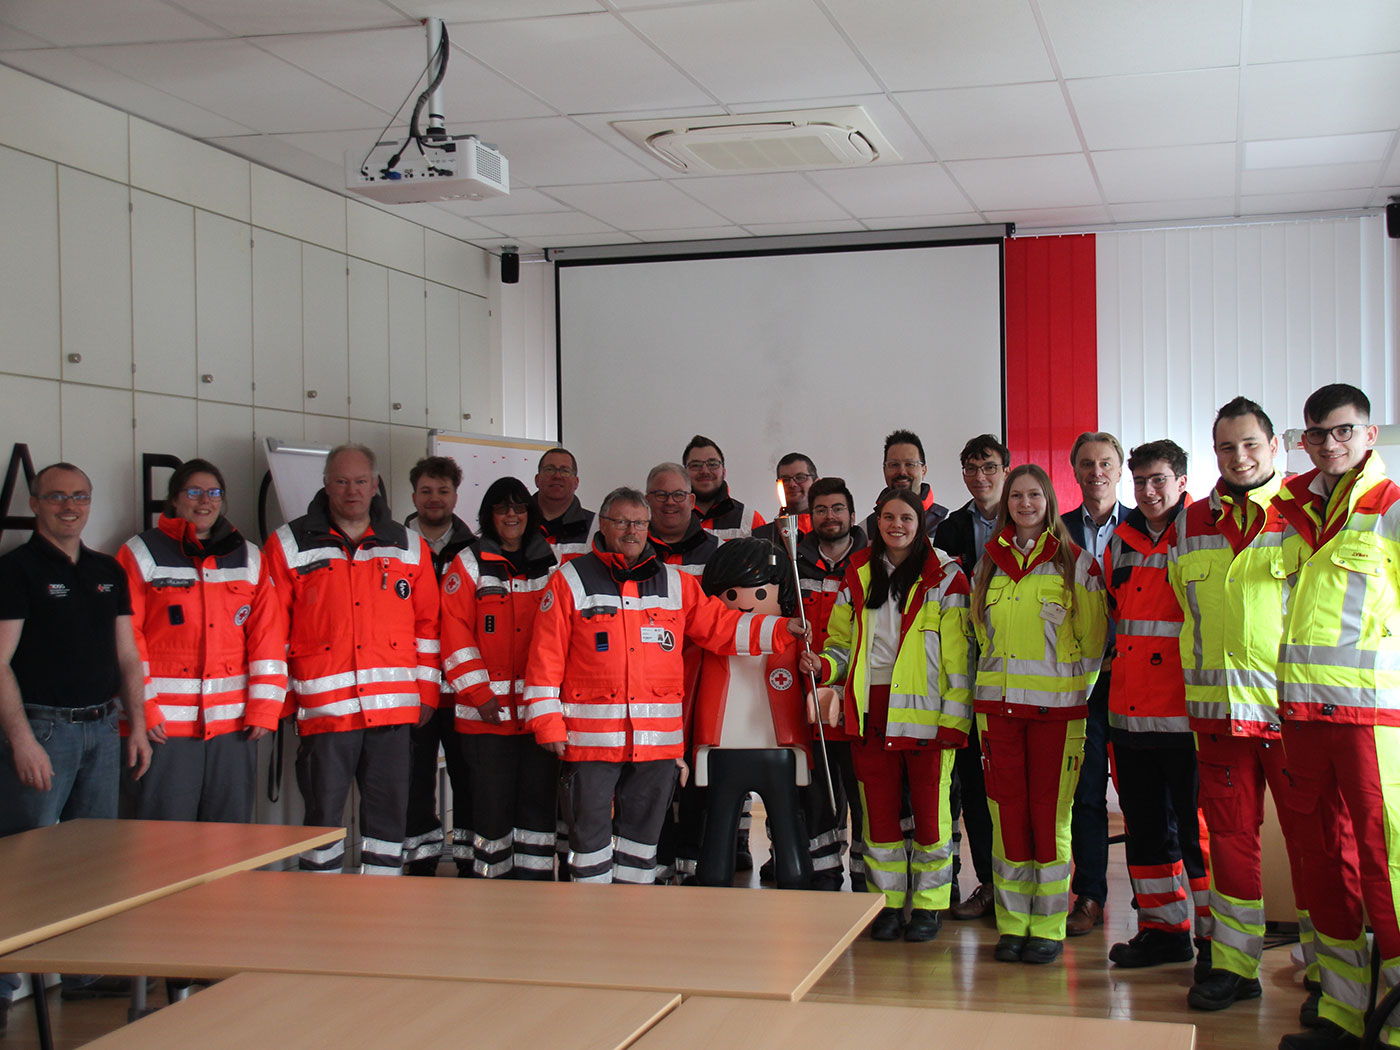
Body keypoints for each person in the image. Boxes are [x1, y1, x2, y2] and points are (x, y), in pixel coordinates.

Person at [523, 486, 805, 884]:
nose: (631, 530)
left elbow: (722, 628)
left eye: (638, 522)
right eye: (621, 521)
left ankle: (632, 919)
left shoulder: (675, 584)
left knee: (642, 842)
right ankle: (588, 923)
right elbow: (545, 657)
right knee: (589, 840)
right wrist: (547, 723)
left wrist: (780, 630)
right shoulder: (571, 579)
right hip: (590, 742)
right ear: (603, 525)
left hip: (655, 746)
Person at [1170, 396, 1336, 1015]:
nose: (1238, 457)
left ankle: (1330, 974)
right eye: (1225, 447)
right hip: (1217, 719)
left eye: (1249, 445)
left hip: (1294, 717)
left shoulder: (1307, 515)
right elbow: (1187, 614)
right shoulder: (1190, 523)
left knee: (1314, 842)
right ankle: (1235, 966)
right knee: (1231, 843)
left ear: (1275, 447)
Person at [1272, 384, 1400, 1050]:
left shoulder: (1390, 509)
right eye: (1317, 434)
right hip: (1300, 715)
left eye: (1342, 432)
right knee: (1324, 863)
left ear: (1369, 433)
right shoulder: (1292, 511)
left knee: (1386, 864)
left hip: (1369, 720)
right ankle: (1344, 1012)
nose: (1329, 445)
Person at [0, 462, 152, 1009]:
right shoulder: (15, 571)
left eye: (80, 497)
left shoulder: (106, 570)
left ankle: (84, 975)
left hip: (103, 727)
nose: (70, 507)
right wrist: (21, 739)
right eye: (57, 497)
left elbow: (128, 655)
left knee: (94, 860)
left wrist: (133, 724)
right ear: (36, 504)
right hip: (45, 730)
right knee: (21, 862)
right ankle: (1, 989)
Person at [801, 487, 973, 943]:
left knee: (932, 820)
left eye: (906, 518)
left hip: (929, 718)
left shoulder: (947, 577)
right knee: (878, 819)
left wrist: (955, 722)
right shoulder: (858, 573)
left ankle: (931, 906)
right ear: (877, 522)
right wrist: (825, 664)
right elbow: (840, 644)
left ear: (921, 524)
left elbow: (959, 659)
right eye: (888, 517)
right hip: (869, 712)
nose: (897, 525)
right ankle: (888, 904)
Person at [264, 444, 441, 875]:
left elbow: (428, 628)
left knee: (387, 822)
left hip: (392, 715)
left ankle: (382, 908)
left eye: (361, 481)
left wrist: (427, 694)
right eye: (341, 481)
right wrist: (284, 700)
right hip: (326, 714)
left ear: (375, 484)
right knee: (322, 822)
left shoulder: (409, 546)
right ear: (326, 484)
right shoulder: (288, 544)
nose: (352, 490)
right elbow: (271, 632)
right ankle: (319, 908)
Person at [970, 464, 1108, 964]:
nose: (1025, 504)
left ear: (1049, 501)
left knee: (1050, 820)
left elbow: (1093, 645)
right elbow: (981, 637)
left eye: (1034, 495)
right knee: (1007, 819)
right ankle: (1013, 923)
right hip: (998, 714)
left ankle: (1047, 925)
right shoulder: (988, 563)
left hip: (1058, 715)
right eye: (1016, 496)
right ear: (1006, 503)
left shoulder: (1078, 565)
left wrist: (1070, 694)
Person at [117, 458, 284, 822]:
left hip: (233, 726)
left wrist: (265, 708)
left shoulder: (249, 556)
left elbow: (268, 638)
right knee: (163, 839)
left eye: (214, 493)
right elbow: (127, 639)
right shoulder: (141, 554)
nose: (204, 501)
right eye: (193, 492)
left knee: (230, 837)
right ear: (174, 500)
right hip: (164, 728)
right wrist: (143, 710)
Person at [1102, 441, 1211, 978]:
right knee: (1146, 831)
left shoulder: (1201, 535)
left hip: (1186, 716)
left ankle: (1218, 943)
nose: (1147, 491)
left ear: (1182, 480)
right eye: (1139, 480)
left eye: (1158, 480)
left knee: (1197, 836)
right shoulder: (1118, 543)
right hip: (1129, 716)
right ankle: (1164, 932)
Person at [440, 477, 559, 879]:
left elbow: (561, 636)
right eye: (502, 508)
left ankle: (535, 885)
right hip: (485, 718)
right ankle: (490, 885)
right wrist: (478, 693)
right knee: (490, 809)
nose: (512, 515)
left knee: (538, 809)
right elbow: (453, 635)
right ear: (489, 515)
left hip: (535, 718)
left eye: (520, 507)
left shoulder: (552, 563)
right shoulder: (469, 563)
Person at [692, 538, 814, 890]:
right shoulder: (710, 642)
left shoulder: (792, 641)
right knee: (718, 824)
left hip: (778, 746)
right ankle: (714, 874)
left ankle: (793, 872)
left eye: (760, 595)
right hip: (721, 748)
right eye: (732, 595)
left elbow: (806, 687)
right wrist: (699, 752)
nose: (745, 604)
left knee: (787, 822)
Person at [938, 433, 1010, 920]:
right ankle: (987, 884)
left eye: (988, 466)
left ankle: (1025, 887)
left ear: (1005, 468)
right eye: (970, 467)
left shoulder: (1029, 516)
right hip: (965, 676)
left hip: (1019, 676)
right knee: (975, 789)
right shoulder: (949, 529)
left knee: (1016, 790)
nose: (979, 476)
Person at [1060, 431, 1128, 936]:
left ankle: (1161, 907)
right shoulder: (1058, 531)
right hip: (1078, 684)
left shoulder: (1146, 526)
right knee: (1085, 795)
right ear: (1076, 472)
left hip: (1135, 680)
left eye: (1105, 462)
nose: (1096, 471)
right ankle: (1089, 896)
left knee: (1146, 796)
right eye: (1087, 464)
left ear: (1119, 468)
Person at [794, 477, 869, 891]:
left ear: (852, 516)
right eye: (821, 509)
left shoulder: (872, 563)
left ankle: (863, 878)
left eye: (837, 508)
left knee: (863, 797)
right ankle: (824, 873)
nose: (830, 516)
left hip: (857, 699)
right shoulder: (794, 561)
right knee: (817, 796)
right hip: (811, 700)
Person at [402, 455, 476, 876]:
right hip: (409, 691)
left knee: (469, 785)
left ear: (455, 496)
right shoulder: (392, 546)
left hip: (462, 692)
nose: (434, 499)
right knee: (414, 787)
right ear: (413, 495)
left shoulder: (475, 549)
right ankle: (420, 867)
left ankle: (467, 866)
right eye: (426, 491)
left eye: (443, 491)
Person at [863, 429, 949, 539]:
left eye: (910, 464)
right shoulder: (867, 528)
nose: (902, 472)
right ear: (884, 470)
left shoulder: (947, 522)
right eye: (894, 464)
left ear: (924, 470)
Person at [684, 435, 764, 541]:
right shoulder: (670, 517)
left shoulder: (750, 520)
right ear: (684, 474)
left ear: (724, 472)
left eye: (712, 464)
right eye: (696, 465)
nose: (704, 471)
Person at [646, 462, 718, 574]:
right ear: (647, 501)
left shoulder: (719, 552)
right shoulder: (631, 551)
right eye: (661, 494)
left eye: (678, 494)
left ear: (691, 501)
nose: (670, 502)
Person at [534, 447, 594, 564]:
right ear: (537, 479)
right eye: (549, 469)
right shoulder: (516, 524)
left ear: (576, 482)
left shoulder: (596, 527)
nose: (557, 476)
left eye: (565, 471)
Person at [754, 453, 819, 542]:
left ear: (816, 483)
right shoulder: (762, 537)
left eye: (800, 477)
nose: (792, 484)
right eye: (785, 480)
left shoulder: (831, 530)